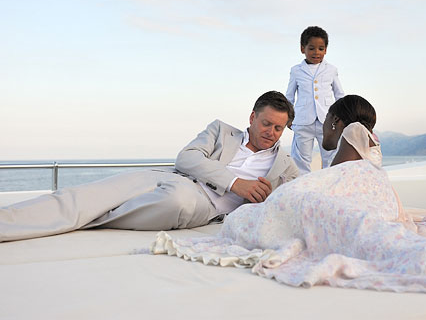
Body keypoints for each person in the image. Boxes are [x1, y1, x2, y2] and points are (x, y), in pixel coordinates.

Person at [153, 95, 426, 300]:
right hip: (366, 191)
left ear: (337, 125)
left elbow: (331, 180)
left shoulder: (348, 140)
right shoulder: (369, 151)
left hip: (343, 192)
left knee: (277, 215)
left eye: (326, 124)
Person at [0, 91, 299, 242]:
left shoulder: (285, 167)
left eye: (278, 128)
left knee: (176, 202)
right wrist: (237, 183)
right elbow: (187, 158)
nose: (271, 132)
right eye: (266, 123)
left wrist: (265, 196)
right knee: (79, 197)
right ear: (252, 117)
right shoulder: (221, 130)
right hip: (167, 177)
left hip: (202, 204)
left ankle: (83, 219)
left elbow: (303, 193)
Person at [285, 26, 344, 174]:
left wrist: (342, 117)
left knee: (330, 157)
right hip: (302, 120)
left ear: (326, 50)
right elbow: (289, 96)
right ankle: (301, 189)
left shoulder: (331, 69)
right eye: (311, 48)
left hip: (328, 121)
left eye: (321, 48)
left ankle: (329, 186)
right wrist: (287, 117)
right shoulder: (296, 70)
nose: (316, 52)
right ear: (302, 48)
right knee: (300, 159)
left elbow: (339, 95)